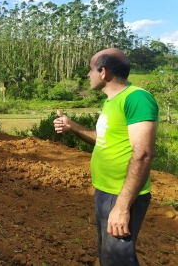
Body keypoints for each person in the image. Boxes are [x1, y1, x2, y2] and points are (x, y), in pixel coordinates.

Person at [53, 48, 158, 266]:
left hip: (122, 194)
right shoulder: (111, 101)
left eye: (90, 70)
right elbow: (102, 139)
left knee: (118, 259)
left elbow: (143, 154)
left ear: (103, 72)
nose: (87, 76)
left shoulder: (137, 98)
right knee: (108, 255)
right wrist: (72, 126)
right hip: (105, 190)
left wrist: (121, 206)